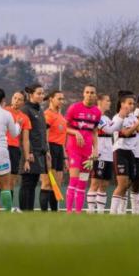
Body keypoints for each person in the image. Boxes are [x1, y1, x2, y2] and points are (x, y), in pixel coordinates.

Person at [64, 84, 101, 214]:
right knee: (73, 180)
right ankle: (69, 212)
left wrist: (95, 149)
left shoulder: (97, 112)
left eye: (92, 92)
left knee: (83, 183)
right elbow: (65, 127)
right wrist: (76, 132)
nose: (89, 95)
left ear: (95, 95)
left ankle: (78, 213)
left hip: (87, 152)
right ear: (83, 94)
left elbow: (95, 132)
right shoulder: (74, 108)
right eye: (87, 92)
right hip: (74, 149)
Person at [88, 93, 126, 214]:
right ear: (100, 102)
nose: (109, 102)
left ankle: (100, 212)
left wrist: (122, 117)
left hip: (108, 154)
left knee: (104, 184)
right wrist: (120, 116)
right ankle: (90, 211)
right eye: (107, 100)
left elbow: (117, 128)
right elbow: (109, 129)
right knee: (95, 182)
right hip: (98, 153)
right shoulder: (96, 115)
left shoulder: (107, 118)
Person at [110, 91, 139, 214]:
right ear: (122, 104)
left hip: (131, 153)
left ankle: (121, 212)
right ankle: (112, 212)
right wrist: (138, 123)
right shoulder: (117, 118)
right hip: (120, 152)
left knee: (128, 183)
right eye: (129, 103)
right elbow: (126, 133)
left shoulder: (134, 118)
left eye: (133, 103)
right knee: (122, 184)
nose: (132, 106)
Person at [20, 83, 49, 211]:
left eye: (43, 93)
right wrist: (29, 152)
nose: (41, 96)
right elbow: (24, 134)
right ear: (31, 95)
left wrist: (46, 150)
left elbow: (42, 132)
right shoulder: (25, 110)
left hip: (40, 153)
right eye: (39, 93)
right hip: (30, 153)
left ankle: (29, 212)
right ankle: (25, 210)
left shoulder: (40, 110)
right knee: (27, 183)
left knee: (33, 184)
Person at [4, 91, 31, 209]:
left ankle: (7, 208)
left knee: (11, 181)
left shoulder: (24, 118)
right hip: (1, 148)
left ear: (23, 102)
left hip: (14, 150)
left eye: (19, 99)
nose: (16, 101)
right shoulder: (3, 111)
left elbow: (25, 140)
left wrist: (27, 159)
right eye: (15, 98)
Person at [42, 90, 66, 211]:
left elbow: (62, 139)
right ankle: (44, 213)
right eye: (59, 99)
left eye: (63, 99)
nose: (62, 101)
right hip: (50, 148)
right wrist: (47, 152)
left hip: (59, 150)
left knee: (57, 184)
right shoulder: (48, 114)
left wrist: (65, 157)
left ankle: (54, 213)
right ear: (51, 99)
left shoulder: (61, 116)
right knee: (47, 183)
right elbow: (44, 136)